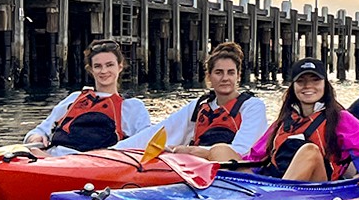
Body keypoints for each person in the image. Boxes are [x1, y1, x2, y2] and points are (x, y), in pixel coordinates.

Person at [203, 58, 359, 180]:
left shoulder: (341, 118)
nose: (308, 86)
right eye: (301, 81)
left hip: (315, 187)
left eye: (315, 80)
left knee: (309, 150)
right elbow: (255, 157)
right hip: (274, 180)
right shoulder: (283, 121)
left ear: (325, 84)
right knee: (220, 149)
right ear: (294, 86)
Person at [110, 42, 269, 155]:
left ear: (238, 76)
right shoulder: (200, 106)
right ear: (209, 76)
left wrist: (192, 151)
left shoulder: (252, 106)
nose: (225, 78)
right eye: (219, 72)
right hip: (196, 167)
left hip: (231, 169)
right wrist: (114, 151)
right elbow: (163, 129)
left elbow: (242, 149)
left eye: (230, 73)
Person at [23, 40, 151, 155]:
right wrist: (35, 138)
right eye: (98, 66)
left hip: (98, 162)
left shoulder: (133, 106)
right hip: (55, 157)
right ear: (91, 70)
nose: (104, 71)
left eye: (109, 65)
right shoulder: (74, 99)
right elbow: (41, 130)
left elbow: (146, 140)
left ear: (120, 67)